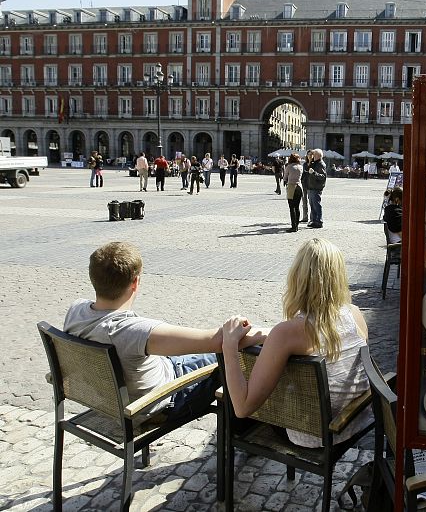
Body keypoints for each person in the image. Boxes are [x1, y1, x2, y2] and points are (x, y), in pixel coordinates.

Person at [63, 241, 266, 420]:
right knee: (233, 357)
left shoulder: (76, 310)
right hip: (159, 402)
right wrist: (272, 334)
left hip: (110, 396)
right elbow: (218, 340)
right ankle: (244, 428)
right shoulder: (133, 332)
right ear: (135, 283)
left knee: (203, 355)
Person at [220, 238, 371, 447]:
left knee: (235, 408)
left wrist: (229, 346)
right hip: (354, 421)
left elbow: (243, 408)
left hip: (314, 433)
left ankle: (235, 463)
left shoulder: (287, 333)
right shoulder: (355, 314)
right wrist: (269, 336)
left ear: (297, 278)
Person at [306, 149, 327, 228]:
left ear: (318, 156)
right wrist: (310, 160)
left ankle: (319, 221)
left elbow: (322, 177)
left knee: (316, 205)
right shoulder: (314, 163)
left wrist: (314, 173)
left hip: (316, 187)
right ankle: (314, 220)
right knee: (312, 205)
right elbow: (308, 168)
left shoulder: (321, 164)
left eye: (314, 155)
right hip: (311, 187)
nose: (312, 156)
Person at [283, 153, 303, 232]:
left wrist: (285, 182)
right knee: (297, 207)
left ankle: (293, 226)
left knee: (292, 207)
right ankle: (297, 225)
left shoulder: (289, 166)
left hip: (291, 187)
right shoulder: (300, 167)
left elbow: (285, 176)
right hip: (299, 187)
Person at [300, 152, 312, 222]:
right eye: (308, 154)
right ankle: (305, 217)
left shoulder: (314, 164)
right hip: (304, 184)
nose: (309, 156)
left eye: (311, 154)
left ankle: (312, 218)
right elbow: (303, 173)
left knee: (311, 202)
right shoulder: (304, 164)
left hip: (311, 185)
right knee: (304, 202)